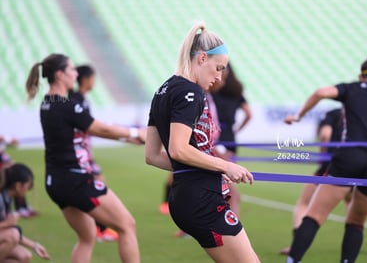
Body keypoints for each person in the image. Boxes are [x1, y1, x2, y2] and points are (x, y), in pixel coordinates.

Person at [145, 22, 260, 263]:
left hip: (185, 198)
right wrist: (224, 166)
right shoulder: (191, 92)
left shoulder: (163, 90)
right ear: (202, 58)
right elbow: (178, 148)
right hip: (201, 199)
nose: (219, 77)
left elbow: (153, 156)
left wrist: (209, 167)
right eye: (218, 68)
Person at [284, 54, 367, 263]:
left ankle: (292, 261)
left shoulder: (351, 89)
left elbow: (321, 92)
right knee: (356, 222)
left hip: (350, 156)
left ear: (361, 75)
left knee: (314, 215)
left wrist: (299, 116)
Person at [25, 53, 146, 263]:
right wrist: (135, 133)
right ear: (59, 74)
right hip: (75, 180)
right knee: (127, 225)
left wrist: (127, 138)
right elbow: (101, 129)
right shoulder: (65, 105)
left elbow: (87, 132)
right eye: (71, 69)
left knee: (87, 236)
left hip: (56, 182)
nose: (75, 74)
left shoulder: (48, 103)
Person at [279, 108, 352, 256]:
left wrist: (323, 154)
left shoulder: (333, 114)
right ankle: (351, 246)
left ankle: (296, 246)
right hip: (359, 164)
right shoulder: (361, 113)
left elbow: (325, 135)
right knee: (351, 204)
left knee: (304, 204)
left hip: (333, 165)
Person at [69, 65, 119, 242]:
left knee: (95, 185)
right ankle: (101, 229)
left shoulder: (81, 99)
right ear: (85, 79)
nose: (94, 81)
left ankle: (98, 229)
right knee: (97, 185)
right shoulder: (75, 99)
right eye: (92, 77)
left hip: (84, 153)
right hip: (79, 155)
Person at [210, 63, 252, 217]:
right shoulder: (236, 90)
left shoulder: (212, 89)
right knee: (222, 182)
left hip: (215, 137)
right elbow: (249, 114)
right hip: (229, 137)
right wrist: (236, 129)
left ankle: (233, 227)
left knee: (226, 185)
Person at [0, 163, 50, 262]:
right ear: (18, 186)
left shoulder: (7, 198)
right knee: (12, 236)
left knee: (24, 256)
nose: (28, 190)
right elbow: (9, 232)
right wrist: (7, 223)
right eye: (28, 186)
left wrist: (35, 246)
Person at [0, 135, 38, 218]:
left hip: (5, 173)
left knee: (18, 186)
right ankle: (20, 208)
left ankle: (22, 208)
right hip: (3, 174)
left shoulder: (2, 152)